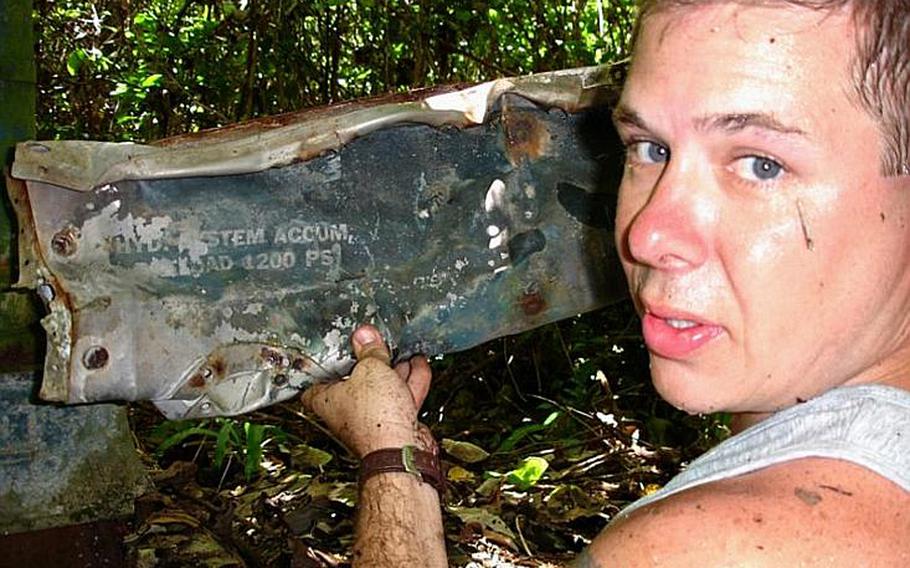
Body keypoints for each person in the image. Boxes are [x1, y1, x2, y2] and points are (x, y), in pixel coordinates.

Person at [302, 0, 910, 565]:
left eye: (761, 164)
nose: (645, 236)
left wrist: (391, 461)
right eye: (649, 149)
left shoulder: (705, 547)